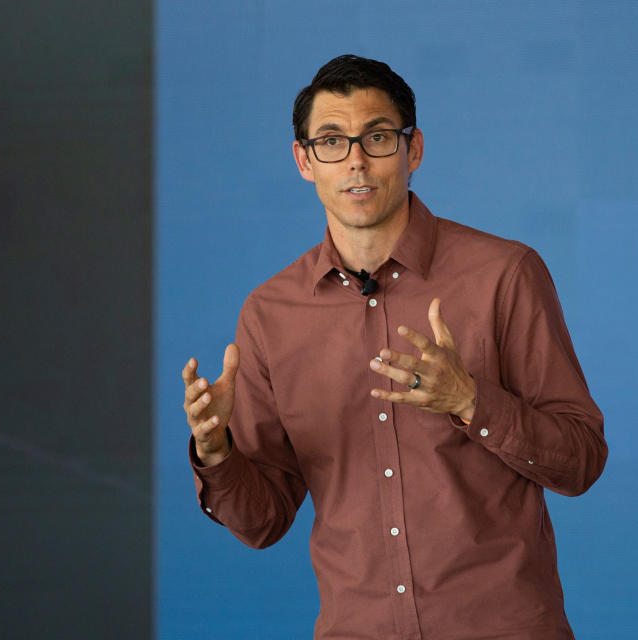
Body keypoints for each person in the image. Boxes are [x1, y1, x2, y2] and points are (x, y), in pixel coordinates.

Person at [181, 54, 607, 640]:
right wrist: (217, 451)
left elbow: (581, 460)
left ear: (414, 150)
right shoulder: (271, 313)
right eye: (331, 141)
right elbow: (263, 522)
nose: (355, 160)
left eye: (377, 137)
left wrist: (470, 401)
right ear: (304, 161)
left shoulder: (503, 274)